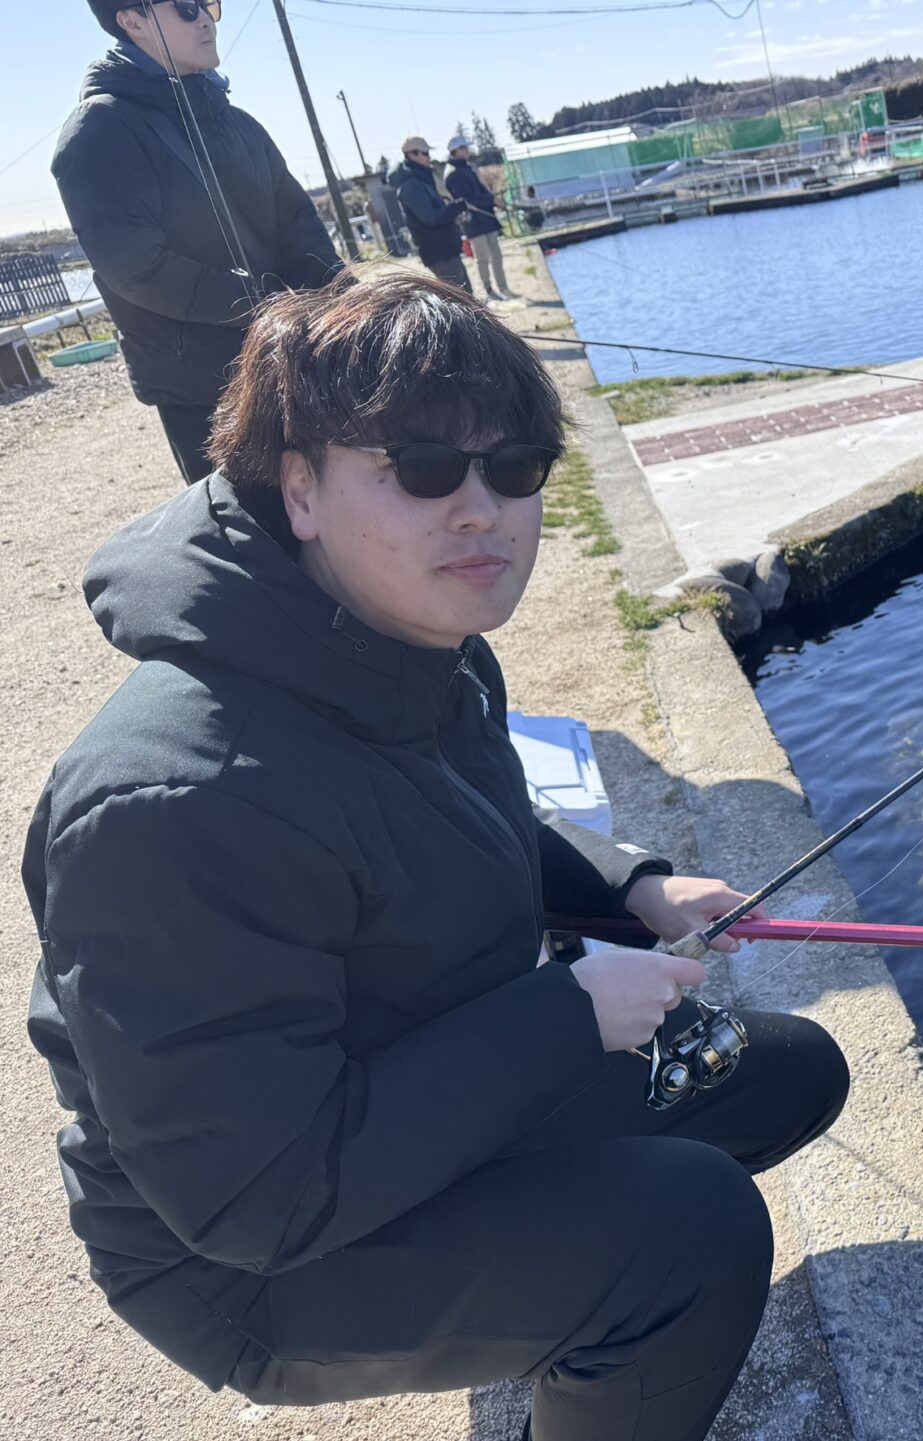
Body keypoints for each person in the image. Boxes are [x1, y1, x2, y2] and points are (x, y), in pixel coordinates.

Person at [22, 272, 849, 1441]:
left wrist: (633, 884)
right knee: (693, 1231)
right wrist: (569, 1014)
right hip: (249, 1259)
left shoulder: (421, 644)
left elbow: (475, 814)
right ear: (299, 487)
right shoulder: (175, 803)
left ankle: (548, 1290)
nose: (481, 510)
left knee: (793, 1071)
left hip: (420, 1084)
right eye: (421, 467)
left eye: (514, 468)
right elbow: (255, 1198)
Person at [54, 0, 343, 484]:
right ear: (132, 21)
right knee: (252, 522)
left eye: (210, 4)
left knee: (330, 510)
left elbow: (299, 227)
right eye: (187, 8)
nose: (207, 19)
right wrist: (266, 306)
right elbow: (135, 267)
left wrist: (348, 304)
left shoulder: (238, 123)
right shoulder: (101, 128)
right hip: (206, 387)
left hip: (297, 360)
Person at [389, 136, 471, 291]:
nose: (429, 157)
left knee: (466, 295)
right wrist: (456, 207)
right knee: (459, 297)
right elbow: (430, 218)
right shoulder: (410, 185)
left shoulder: (421, 179)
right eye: (425, 153)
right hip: (438, 252)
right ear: (411, 155)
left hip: (446, 249)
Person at [445, 133, 517, 301]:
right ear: (456, 150)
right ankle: (489, 290)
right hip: (473, 222)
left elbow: (481, 190)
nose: (467, 150)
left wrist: (494, 201)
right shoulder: (452, 174)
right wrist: (492, 200)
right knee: (482, 257)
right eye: (463, 148)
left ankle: (504, 288)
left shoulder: (468, 168)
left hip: (487, 218)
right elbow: (467, 199)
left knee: (496, 255)